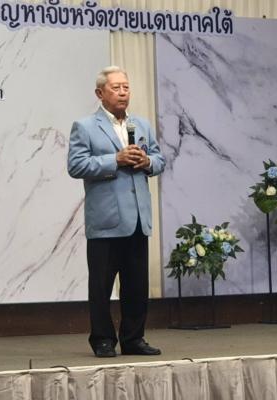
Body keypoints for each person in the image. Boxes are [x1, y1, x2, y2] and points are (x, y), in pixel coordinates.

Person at [67, 66, 166, 357]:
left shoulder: (141, 125)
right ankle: (102, 340)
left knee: (136, 285)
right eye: (116, 88)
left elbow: (160, 159)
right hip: (106, 219)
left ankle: (133, 339)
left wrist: (147, 162)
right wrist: (116, 160)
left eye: (126, 87)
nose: (123, 93)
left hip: (138, 219)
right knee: (101, 286)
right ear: (100, 93)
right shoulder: (85, 126)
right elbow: (76, 165)